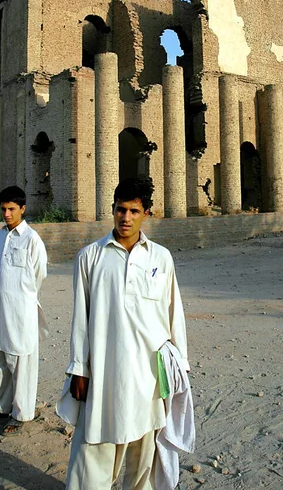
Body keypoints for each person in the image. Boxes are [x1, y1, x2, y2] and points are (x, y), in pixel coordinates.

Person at [60, 178, 190, 490]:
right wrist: (79, 368)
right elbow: (81, 318)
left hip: (148, 377)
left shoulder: (160, 258)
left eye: (134, 211)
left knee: (143, 462)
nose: (126, 218)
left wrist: (181, 367)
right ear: (112, 209)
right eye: (120, 210)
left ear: (147, 213)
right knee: (91, 458)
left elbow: (174, 316)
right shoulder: (90, 257)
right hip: (105, 374)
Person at [0, 186, 48, 435]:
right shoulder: (0, 236)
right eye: (3, 209)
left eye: (11, 209)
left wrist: (22, 298)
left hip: (21, 308)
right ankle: (1, 405)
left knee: (20, 360)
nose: (6, 213)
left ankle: (21, 413)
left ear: (22, 209)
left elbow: (39, 274)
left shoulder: (32, 239)